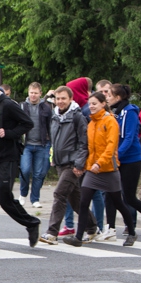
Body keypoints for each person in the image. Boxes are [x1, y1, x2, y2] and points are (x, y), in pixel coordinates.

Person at [0, 70, 39, 251]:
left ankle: (32, 223)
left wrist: (9, 133)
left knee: (4, 198)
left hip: (7, 159)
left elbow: (27, 124)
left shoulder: (8, 105)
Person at [64, 92, 137, 247]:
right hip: (93, 169)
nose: (91, 106)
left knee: (118, 202)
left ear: (103, 104)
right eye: (90, 104)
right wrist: (85, 165)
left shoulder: (110, 121)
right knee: (84, 202)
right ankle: (78, 237)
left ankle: (131, 232)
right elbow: (89, 148)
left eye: (95, 104)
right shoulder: (91, 124)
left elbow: (111, 147)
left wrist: (100, 163)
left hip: (109, 169)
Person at [100, 84, 141, 241]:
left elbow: (129, 137)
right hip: (116, 159)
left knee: (129, 197)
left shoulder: (130, 112)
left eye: (109, 94)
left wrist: (117, 156)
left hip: (130, 160)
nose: (106, 97)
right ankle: (111, 228)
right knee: (110, 193)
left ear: (118, 97)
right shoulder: (114, 112)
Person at [39, 86, 98, 244]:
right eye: (58, 99)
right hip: (60, 162)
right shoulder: (55, 116)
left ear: (71, 99)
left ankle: (52, 232)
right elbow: (54, 140)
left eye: (64, 98)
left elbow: (83, 142)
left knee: (59, 194)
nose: (60, 101)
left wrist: (79, 164)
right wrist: (53, 157)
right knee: (75, 199)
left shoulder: (77, 117)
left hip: (72, 164)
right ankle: (92, 228)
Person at [19, 83, 52, 208]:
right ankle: (23, 194)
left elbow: (50, 126)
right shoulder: (22, 106)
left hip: (42, 145)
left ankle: (35, 199)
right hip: (26, 144)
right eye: (31, 92)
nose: (33, 95)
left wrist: (50, 144)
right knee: (25, 170)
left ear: (40, 94)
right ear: (28, 92)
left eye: (35, 93)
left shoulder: (46, 108)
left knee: (39, 173)